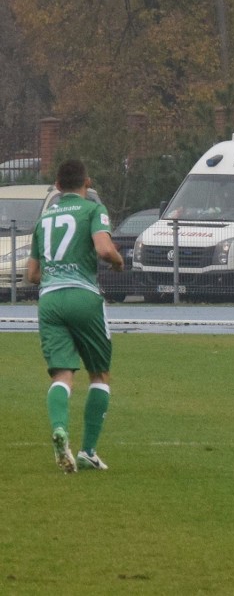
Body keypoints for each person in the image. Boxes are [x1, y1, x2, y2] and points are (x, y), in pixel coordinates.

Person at [27, 159, 124, 473]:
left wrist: (57, 272)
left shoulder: (42, 221)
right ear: (87, 183)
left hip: (50, 300)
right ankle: (88, 451)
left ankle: (59, 429)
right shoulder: (93, 210)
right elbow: (104, 249)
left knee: (62, 375)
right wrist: (119, 262)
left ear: (57, 186)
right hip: (83, 297)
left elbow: (31, 274)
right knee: (99, 374)